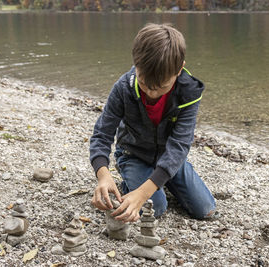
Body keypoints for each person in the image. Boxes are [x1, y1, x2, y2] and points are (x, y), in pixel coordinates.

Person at [90, 23, 216, 223]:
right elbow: (102, 134)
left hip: (169, 155)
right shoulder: (123, 88)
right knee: (156, 208)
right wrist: (103, 174)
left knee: (206, 210)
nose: (151, 92)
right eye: (144, 84)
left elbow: (179, 145)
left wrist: (144, 192)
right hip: (134, 155)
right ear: (136, 64)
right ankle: (141, 180)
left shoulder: (189, 93)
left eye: (161, 87)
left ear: (179, 69)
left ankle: (160, 177)